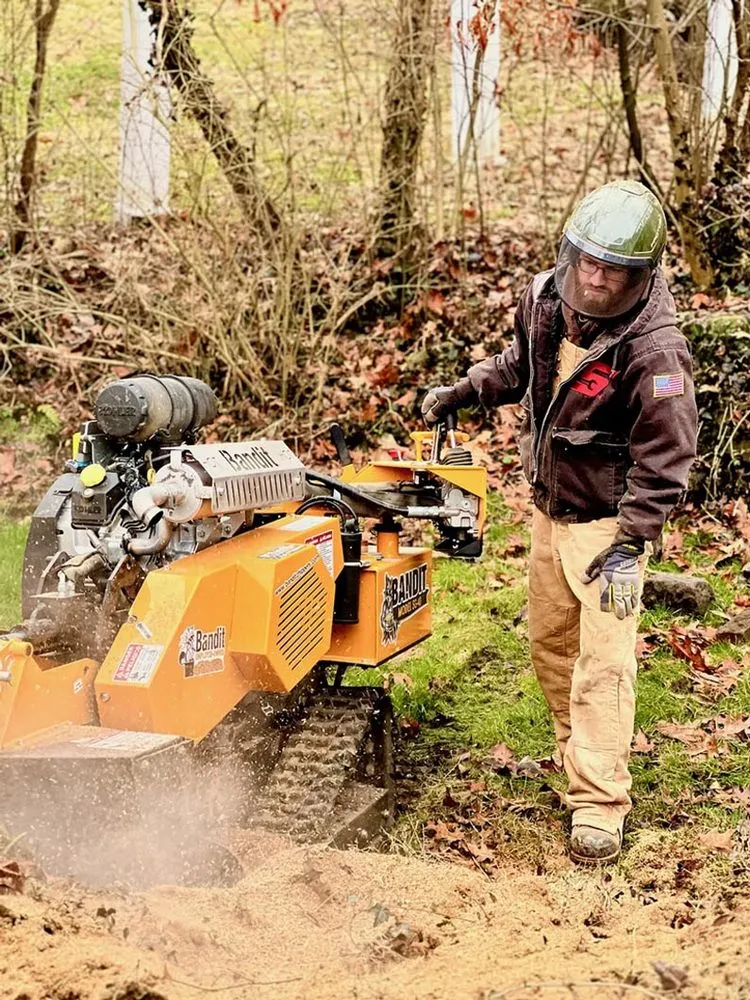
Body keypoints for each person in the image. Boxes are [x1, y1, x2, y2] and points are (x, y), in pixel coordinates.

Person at [421, 180, 698, 864]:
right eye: (591, 262)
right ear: (572, 252)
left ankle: (600, 805)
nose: (597, 279)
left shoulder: (656, 352)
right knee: (550, 645)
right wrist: (467, 390)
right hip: (550, 508)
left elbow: (668, 455)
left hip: (610, 525)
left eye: (615, 270)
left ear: (641, 274)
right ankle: (576, 759)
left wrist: (634, 543)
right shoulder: (547, 298)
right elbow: (523, 364)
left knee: (603, 663)